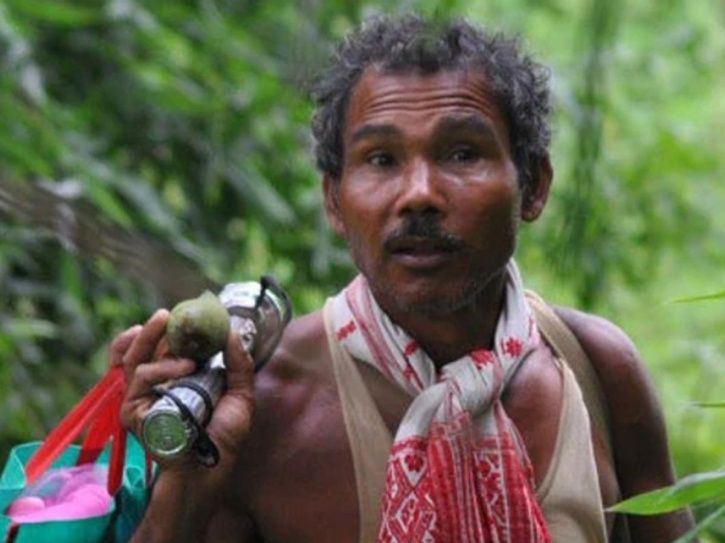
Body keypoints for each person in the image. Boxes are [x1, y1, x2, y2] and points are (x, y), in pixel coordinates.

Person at [111, 15, 695, 542]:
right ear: (335, 201)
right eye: (382, 160)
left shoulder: (597, 373)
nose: (419, 194)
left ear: (534, 186)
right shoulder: (265, 404)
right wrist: (187, 480)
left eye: (463, 154)